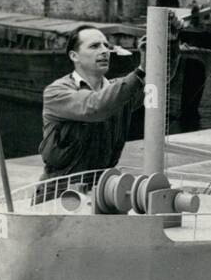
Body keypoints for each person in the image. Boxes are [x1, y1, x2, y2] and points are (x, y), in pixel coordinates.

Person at [39, 25, 147, 187]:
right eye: (94, 46)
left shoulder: (118, 90)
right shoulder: (55, 92)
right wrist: (140, 71)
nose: (104, 51)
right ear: (74, 56)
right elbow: (94, 107)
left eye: (106, 46)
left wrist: (169, 44)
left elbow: (158, 81)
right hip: (58, 192)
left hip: (103, 189)